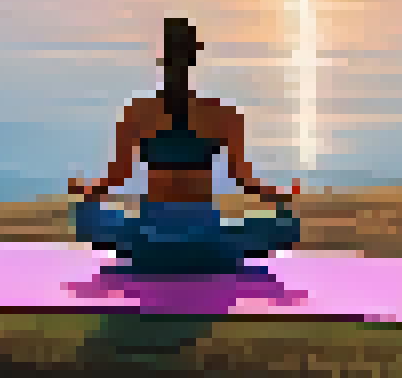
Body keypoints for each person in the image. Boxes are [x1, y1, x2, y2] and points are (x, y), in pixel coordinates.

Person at [65, 16, 303, 274]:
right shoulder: (223, 114)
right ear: (193, 59)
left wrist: (88, 193)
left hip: (149, 239)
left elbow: (118, 176)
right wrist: (280, 197)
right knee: (285, 225)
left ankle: (151, 255)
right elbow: (243, 179)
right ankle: (211, 255)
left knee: (87, 216)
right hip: (206, 240)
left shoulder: (137, 112)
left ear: (162, 59)